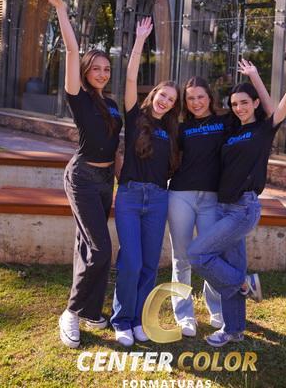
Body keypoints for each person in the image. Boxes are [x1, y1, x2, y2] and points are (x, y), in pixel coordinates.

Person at [187, 37, 286, 346]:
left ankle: (245, 283)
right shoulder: (232, 130)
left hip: (243, 209)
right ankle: (234, 329)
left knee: (197, 254)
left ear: (254, 104)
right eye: (234, 104)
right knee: (231, 265)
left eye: (244, 102)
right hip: (223, 206)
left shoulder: (264, 130)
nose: (239, 108)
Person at [35, 0, 123, 349]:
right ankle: (70, 312)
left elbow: (115, 148)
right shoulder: (80, 98)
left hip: (106, 181)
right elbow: (72, 50)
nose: (102, 73)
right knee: (102, 249)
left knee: (88, 246)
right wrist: (60, 7)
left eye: (106, 68)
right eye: (96, 68)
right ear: (86, 72)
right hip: (83, 177)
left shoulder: (113, 105)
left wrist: (122, 180)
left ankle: (89, 310)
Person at [168, 71, 272, 337]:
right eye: (190, 98)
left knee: (212, 253)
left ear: (210, 98)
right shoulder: (182, 128)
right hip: (181, 195)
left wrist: (254, 77)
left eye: (200, 97)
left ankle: (216, 309)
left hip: (213, 199)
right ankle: (184, 314)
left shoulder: (227, 122)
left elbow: (261, 118)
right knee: (182, 257)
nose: (196, 102)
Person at [110, 17, 181, 347]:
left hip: (158, 199)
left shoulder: (172, 130)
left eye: (171, 100)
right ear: (153, 94)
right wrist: (140, 40)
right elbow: (129, 77)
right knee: (131, 262)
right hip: (129, 195)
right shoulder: (135, 116)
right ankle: (122, 319)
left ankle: (139, 319)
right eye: (162, 95)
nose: (165, 101)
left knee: (150, 264)